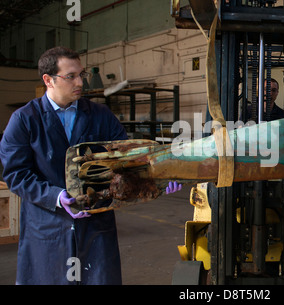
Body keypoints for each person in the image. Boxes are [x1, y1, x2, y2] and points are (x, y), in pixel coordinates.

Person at [0, 46, 180, 285]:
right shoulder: (25, 119)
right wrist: (55, 196)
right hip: (47, 225)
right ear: (48, 80)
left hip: (95, 223)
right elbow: (16, 174)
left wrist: (158, 179)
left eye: (81, 74)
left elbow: (129, 160)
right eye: (71, 76)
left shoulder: (100, 115)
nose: (80, 82)